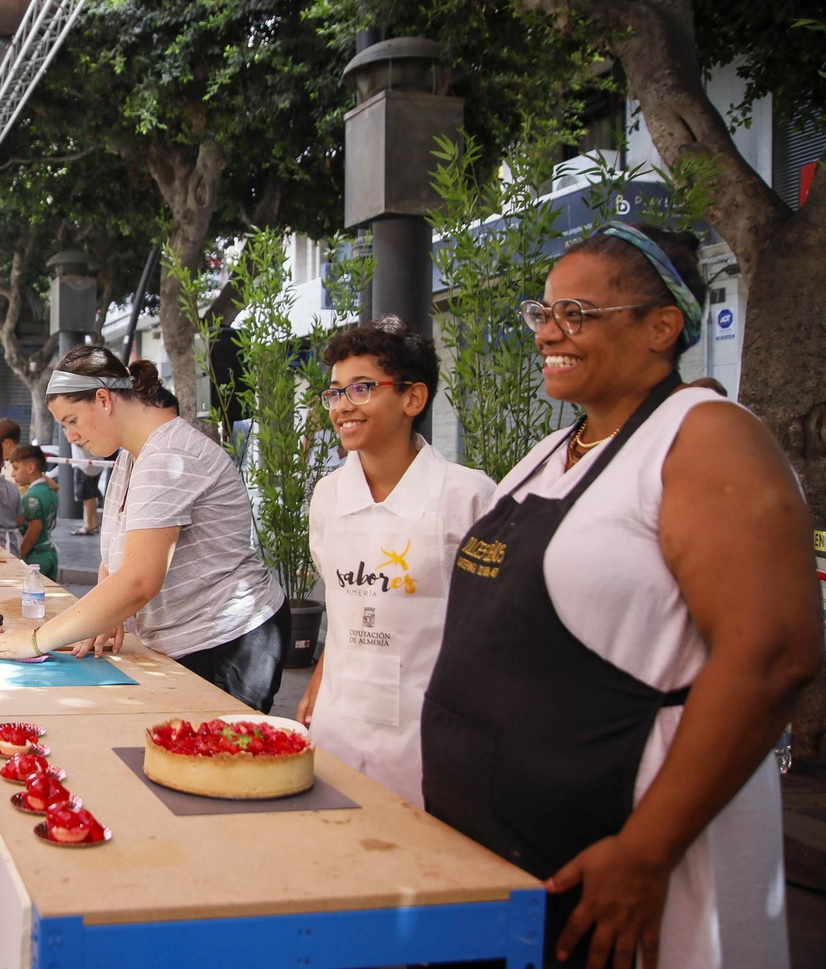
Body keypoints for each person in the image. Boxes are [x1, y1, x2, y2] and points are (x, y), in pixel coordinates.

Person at [421, 222, 821, 967]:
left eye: (576, 314)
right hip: (506, 857)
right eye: (541, 314)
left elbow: (772, 657)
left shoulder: (706, 438)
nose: (548, 333)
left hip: (625, 852)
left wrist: (645, 851)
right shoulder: (548, 453)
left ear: (661, 326)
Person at [0, 347, 290, 712]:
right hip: (184, 636)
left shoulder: (167, 457)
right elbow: (115, 561)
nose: (70, 436)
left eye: (71, 420)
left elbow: (138, 580)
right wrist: (106, 614)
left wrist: (38, 640)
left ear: (103, 399)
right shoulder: (133, 454)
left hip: (226, 640)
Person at [294, 317, 496, 807]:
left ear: (413, 398)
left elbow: (492, 632)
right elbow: (343, 609)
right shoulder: (327, 495)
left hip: (428, 735)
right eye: (335, 392)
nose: (342, 406)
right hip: (339, 725)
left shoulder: (467, 496)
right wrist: (317, 686)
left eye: (361, 388)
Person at [12, 444, 59, 581]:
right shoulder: (49, 490)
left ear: (31, 468)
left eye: (16, 468)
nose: (12, 474)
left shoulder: (30, 496)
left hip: (35, 556)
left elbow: (35, 528)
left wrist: (21, 554)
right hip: (50, 553)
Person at [70, 441, 102, 534]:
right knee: (92, 493)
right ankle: (94, 524)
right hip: (95, 462)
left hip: (83, 463)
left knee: (87, 496)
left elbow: (76, 441)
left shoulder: (77, 430)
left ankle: (88, 526)